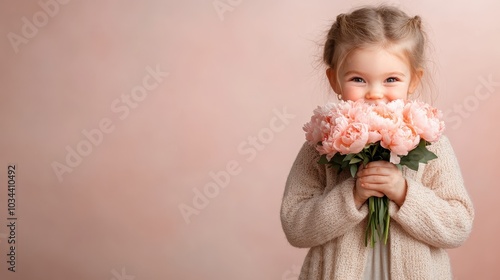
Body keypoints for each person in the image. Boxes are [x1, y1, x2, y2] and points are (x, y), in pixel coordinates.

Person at [280, 5, 474, 280]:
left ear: (413, 80)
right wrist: (352, 195)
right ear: (334, 79)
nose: (374, 93)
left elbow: (458, 226)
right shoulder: (321, 145)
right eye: (358, 79)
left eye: (391, 79)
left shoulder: (431, 143)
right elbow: (295, 226)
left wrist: (404, 192)